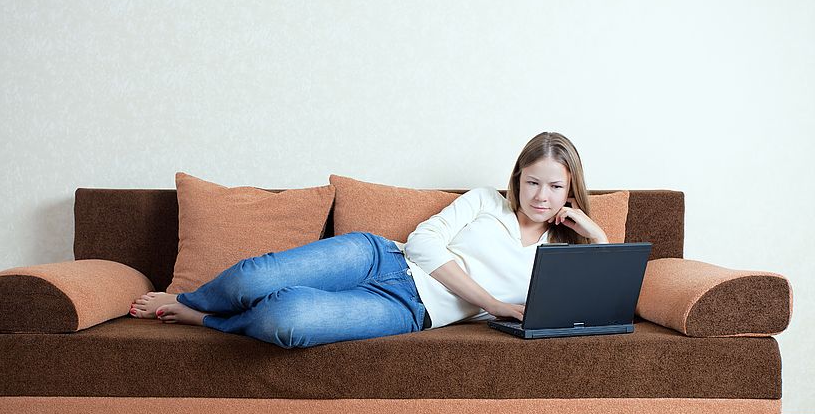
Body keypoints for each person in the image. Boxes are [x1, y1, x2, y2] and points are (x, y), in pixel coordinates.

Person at [130, 131, 608, 348]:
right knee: (256, 276)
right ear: (517, 178)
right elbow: (422, 244)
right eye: (532, 182)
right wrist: (494, 304)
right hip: (379, 258)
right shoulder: (485, 200)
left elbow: (601, 304)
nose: (540, 196)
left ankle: (203, 318)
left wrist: (598, 236)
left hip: (410, 311)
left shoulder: (563, 254)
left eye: (554, 186)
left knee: (288, 319)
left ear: (570, 190)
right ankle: (190, 299)